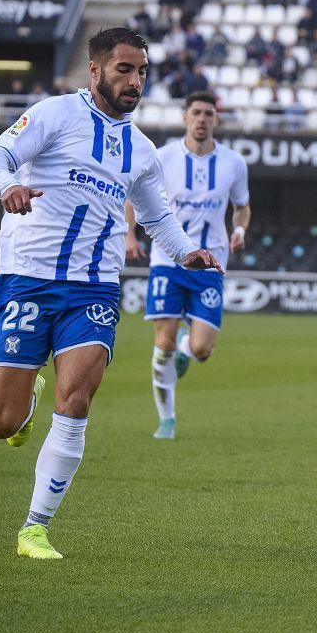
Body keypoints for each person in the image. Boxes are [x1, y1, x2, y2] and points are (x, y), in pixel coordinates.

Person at [0, 28, 222, 560]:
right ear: (96, 70)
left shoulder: (142, 150)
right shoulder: (53, 115)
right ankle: (26, 400)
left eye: (142, 72)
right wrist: (7, 186)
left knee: (79, 400)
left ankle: (34, 528)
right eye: (124, 70)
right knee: (2, 423)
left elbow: (157, 217)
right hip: (28, 280)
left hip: (94, 289)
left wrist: (187, 253)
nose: (135, 81)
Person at [124, 91, 251, 439]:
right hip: (168, 260)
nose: (202, 119)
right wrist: (129, 235)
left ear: (216, 120)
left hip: (212, 265)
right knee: (161, 343)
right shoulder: (162, 157)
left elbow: (242, 205)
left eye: (208, 113)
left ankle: (186, 347)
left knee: (201, 350)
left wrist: (239, 229)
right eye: (196, 112)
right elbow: (135, 195)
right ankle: (167, 419)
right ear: (185, 117)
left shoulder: (233, 163)